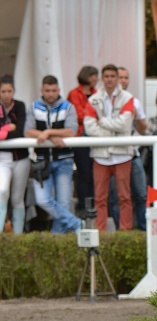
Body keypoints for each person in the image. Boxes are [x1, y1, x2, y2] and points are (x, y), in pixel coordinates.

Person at [24, 75, 82, 233]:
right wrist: (52, 136)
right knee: (42, 200)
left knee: (63, 203)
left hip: (64, 160)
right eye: (47, 90)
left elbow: (72, 131)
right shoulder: (34, 107)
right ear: (42, 90)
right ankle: (76, 223)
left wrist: (48, 132)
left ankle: (56, 240)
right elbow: (27, 132)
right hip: (42, 161)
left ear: (59, 90)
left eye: (54, 90)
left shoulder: (68, 106)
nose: (51, 94)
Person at [83, 64, 135, 232]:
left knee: (125, 197)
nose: (110, 79)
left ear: (117, 78)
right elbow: (89, 127)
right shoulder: (93, 99)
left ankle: (125, 231)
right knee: (100, 198)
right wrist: (113, 131)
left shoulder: (128, 97)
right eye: (107, 76)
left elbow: (125, 123)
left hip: (122, 154)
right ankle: (101, 232)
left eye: (113, 76)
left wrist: (103, 122)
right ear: (101, 78)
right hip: (100, 154)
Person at [112, 66, 147, 231]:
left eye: (126, 78)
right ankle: (121, 232)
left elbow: (143, 129)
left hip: (132, 154)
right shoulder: (107, 101)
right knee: (116, 197)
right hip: (113, 155)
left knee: (141, 194)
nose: (123, 81)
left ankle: (143, 229)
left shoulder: (134, 101)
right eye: (120, 77)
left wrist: (137, 115)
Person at [66, 65, 98, 214]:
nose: (96, 79)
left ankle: (93, 203)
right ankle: (83, 204)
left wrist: (90, 115)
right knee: (84, 171)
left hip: (95, 137)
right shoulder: (74, 93)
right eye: (94, 76)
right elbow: (77, 115)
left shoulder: (97, 93)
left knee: (94, 172)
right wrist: (92, 115)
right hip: (80, 136)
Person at [0, 75, 30, 233]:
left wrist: (3, 133)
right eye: (3, 91)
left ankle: (18, 237)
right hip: (2, 158)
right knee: (2, 191)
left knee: (17, 199)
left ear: (14, 91)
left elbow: (20, 131)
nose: (6, 95)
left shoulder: (20, 106)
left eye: (9, 91)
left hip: (21, 157)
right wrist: (7, 129)